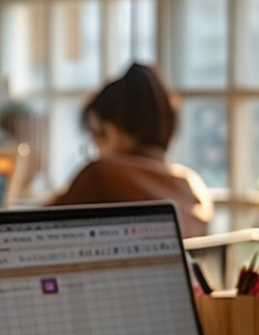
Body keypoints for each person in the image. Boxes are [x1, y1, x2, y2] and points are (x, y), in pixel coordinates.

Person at [48, 62, 214, 236]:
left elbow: (31, 229)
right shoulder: (193, 185)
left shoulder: (102, 173)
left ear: (109, 131)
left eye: (94, 139)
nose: (96, 150)